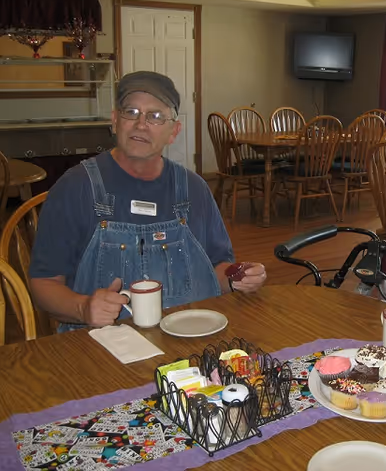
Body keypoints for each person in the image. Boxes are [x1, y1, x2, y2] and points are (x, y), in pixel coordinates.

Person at [29, 71, 267, 332]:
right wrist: (83, 308)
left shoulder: (194, 189)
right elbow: (43, 283)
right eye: (131, 112)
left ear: (173, 131)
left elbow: (218, 272)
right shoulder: (75, 187)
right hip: (99, 347)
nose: (141, 124)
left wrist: (239, 278)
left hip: (187, 340)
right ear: (115, 121)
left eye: (155, 116)